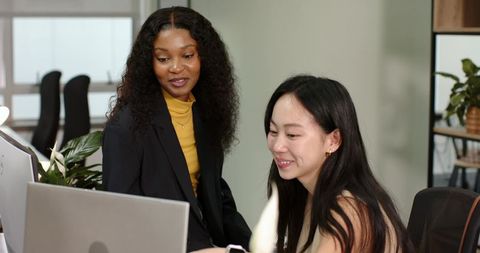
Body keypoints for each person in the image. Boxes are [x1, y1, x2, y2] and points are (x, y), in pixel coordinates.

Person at [102, 6, 251, 252]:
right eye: (163, 58)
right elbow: (121, 217)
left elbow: (215, 192)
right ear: (149, 63)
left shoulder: (204, 113)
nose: (176, 67)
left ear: (204, 57)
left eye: (188, 55)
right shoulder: (126, 126)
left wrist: (252, 243)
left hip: (206, 242)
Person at [264, 75, 414, 253]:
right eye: (273, 131)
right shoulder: (311, 192)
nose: (277, 146)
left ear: (333, 140)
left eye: (292, 135)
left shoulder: (347, 209)